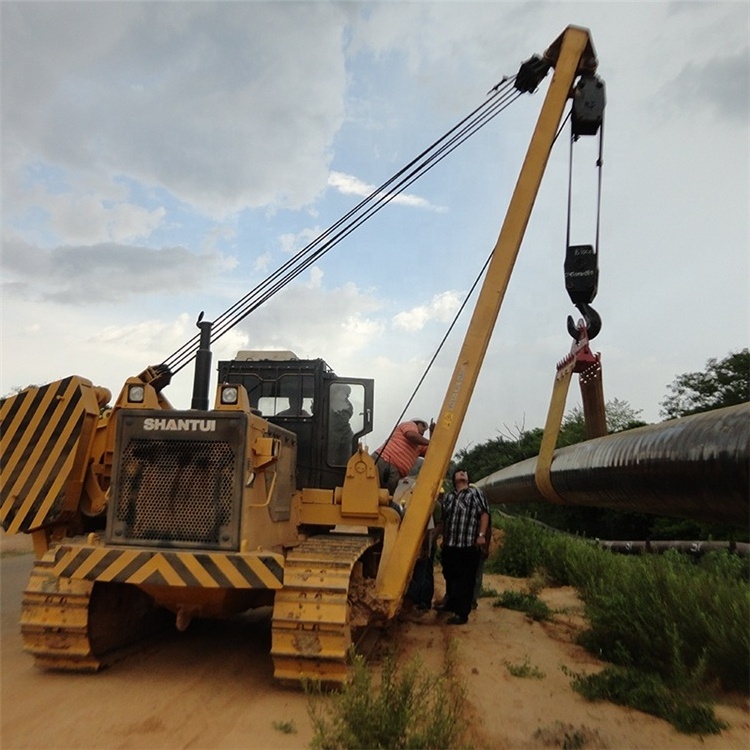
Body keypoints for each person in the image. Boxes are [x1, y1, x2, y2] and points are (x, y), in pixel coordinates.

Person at [437, 467, 490, 625]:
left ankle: (462, 613)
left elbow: (484, 514)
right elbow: (444, 519)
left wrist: (481, 536)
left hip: (468, 544)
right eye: (459, 472)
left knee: (465, 580)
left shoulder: (475, 493)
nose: (462, 473)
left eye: (464, 472)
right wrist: (441, 538)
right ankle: (451, 604)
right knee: (450, 575)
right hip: (451, 544)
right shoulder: (449, 497)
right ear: (453, 479)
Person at [372, 418, 433, 495]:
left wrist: (432, 433)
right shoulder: (410, 425)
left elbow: (431, 452)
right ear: (416, 423)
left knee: (382, 498)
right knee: (379, 496)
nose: (424, 430)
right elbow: (411, 436)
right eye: (423, 426)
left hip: (394, 471)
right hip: (384, 462)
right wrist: (430, 442)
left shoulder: (420, 444)